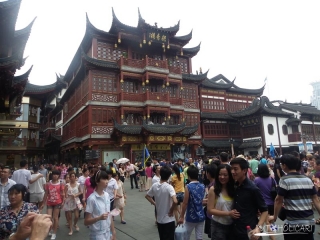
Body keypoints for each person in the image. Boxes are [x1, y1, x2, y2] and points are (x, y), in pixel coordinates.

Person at [273, 154, 320, 239]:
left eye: (281, 164)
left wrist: (275, 216)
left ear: (284, 165)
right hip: (309, 222)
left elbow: (278, 200)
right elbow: (316, 200)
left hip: (293, 223)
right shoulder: (307, 179)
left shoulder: (284, 180)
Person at [230, 157, 268, 240]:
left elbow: (264, 210)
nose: (232, 172)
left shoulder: (252, 188)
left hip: (249, 231)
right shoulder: (235, 185)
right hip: (235, 230)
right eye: (231, 169)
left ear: (244, 170)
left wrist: (258, 228)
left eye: (235, 169)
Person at [145, 166, 177, 240]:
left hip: (159, 219)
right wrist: (171, 210)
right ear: (169, 176)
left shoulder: (155, 185)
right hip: (169, 219)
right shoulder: (169, 187)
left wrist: (155, 203)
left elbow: (147, 196)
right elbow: (175, 201)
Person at [84, 170, 116, 240]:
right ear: (97, 181)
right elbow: (86, 222)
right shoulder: (91, 199)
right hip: (97, 235)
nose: (107, 181)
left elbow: (109, 215)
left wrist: (113, 232)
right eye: (104, 179)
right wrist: (99, 218)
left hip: (108, 232)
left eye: (107, 179)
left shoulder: (107, 195)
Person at [207, 164, 237, 240]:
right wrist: (229, 213)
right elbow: (210, 210)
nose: (222, 177)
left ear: (230, 176)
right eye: (220, 175)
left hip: (232, 226)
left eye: (225, 175)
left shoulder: (234, 188)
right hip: (218, 226)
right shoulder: (213, 190)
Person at [178, 165, 206, 240]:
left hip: (191, 216)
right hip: (201, 215)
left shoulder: (188, 187)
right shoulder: (202, 186)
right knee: (199, 237)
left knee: (186, 236)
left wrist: (181, 216)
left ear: (189, 175)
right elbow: (201, 200)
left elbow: (185, 203)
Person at [40, 170, 65, 240]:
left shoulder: (60, 183)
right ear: (52, 175)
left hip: (58, 202)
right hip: (49, 202)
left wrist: (63, 202)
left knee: (55, 217)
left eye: (57, 174)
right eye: (54, 174)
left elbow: (63, 193)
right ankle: (50, 229)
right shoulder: (48, 184)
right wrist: (43, 203)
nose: (55, 176)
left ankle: (54, 233)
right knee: (49, 217)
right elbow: (46, 193)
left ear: (58, 176)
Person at [254, 164, 276, 240]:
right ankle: (273, 235)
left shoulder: (256, 180)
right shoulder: (272, 179)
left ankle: (273, 238)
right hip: (272, 203)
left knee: (267, 223)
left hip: (263, 204)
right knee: (271, 223)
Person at [63, 171, 82, 235]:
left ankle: (75, 224)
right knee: (70, 217)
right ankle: (71, 229)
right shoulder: (67, 185)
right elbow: (64, 193)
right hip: (69, 201)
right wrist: (65, 196)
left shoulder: (78, 184)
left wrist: (76, 195)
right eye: (71, 176)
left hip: (76, 201)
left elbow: (81, 192)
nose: (72, 178)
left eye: (73, 176)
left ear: (75, 177)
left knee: (76, 216)